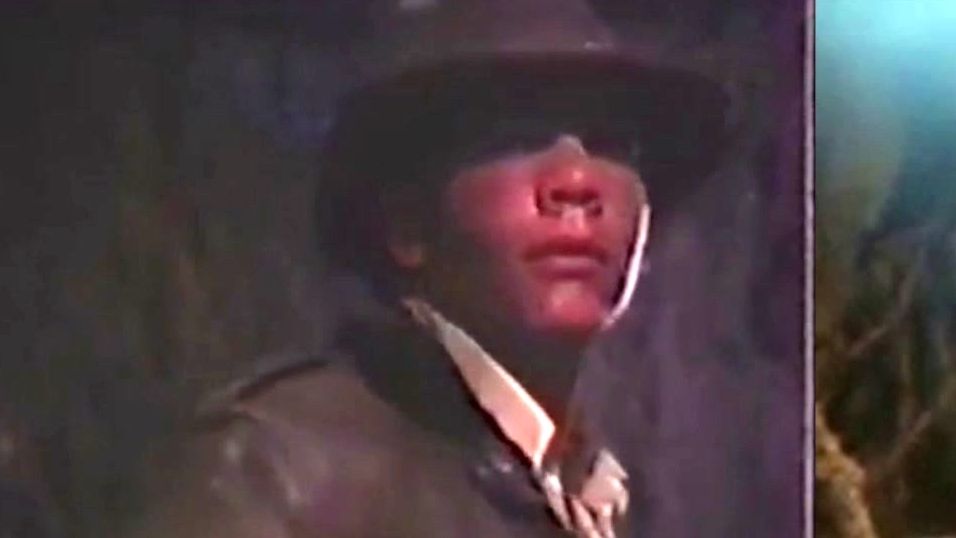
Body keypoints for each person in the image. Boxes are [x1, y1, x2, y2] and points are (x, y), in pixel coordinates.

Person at [128, 1, 735, 537]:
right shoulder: (279, 467)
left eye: (612, 144)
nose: (576, 181)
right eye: (516, 137)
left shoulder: (597, 488)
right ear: (408, 225)